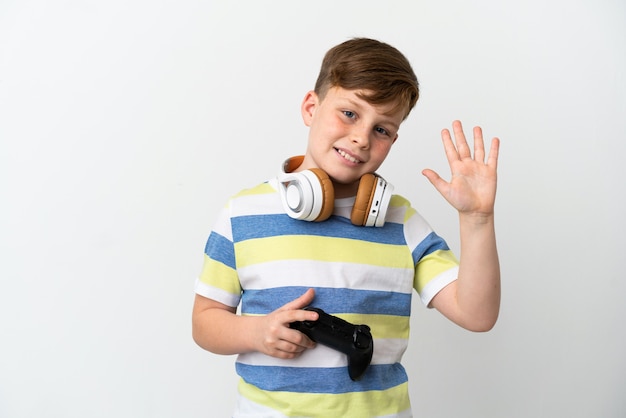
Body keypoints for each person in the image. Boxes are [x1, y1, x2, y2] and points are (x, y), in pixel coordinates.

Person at [192, 37, 500, 417]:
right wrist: (255, 333)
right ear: (311, 107)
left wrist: (477, 220)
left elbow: (477, 314)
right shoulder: (243, 214)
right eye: (350, 113)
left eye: (382, 129)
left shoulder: (401, 221)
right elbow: (205, 322)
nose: (361, 138)